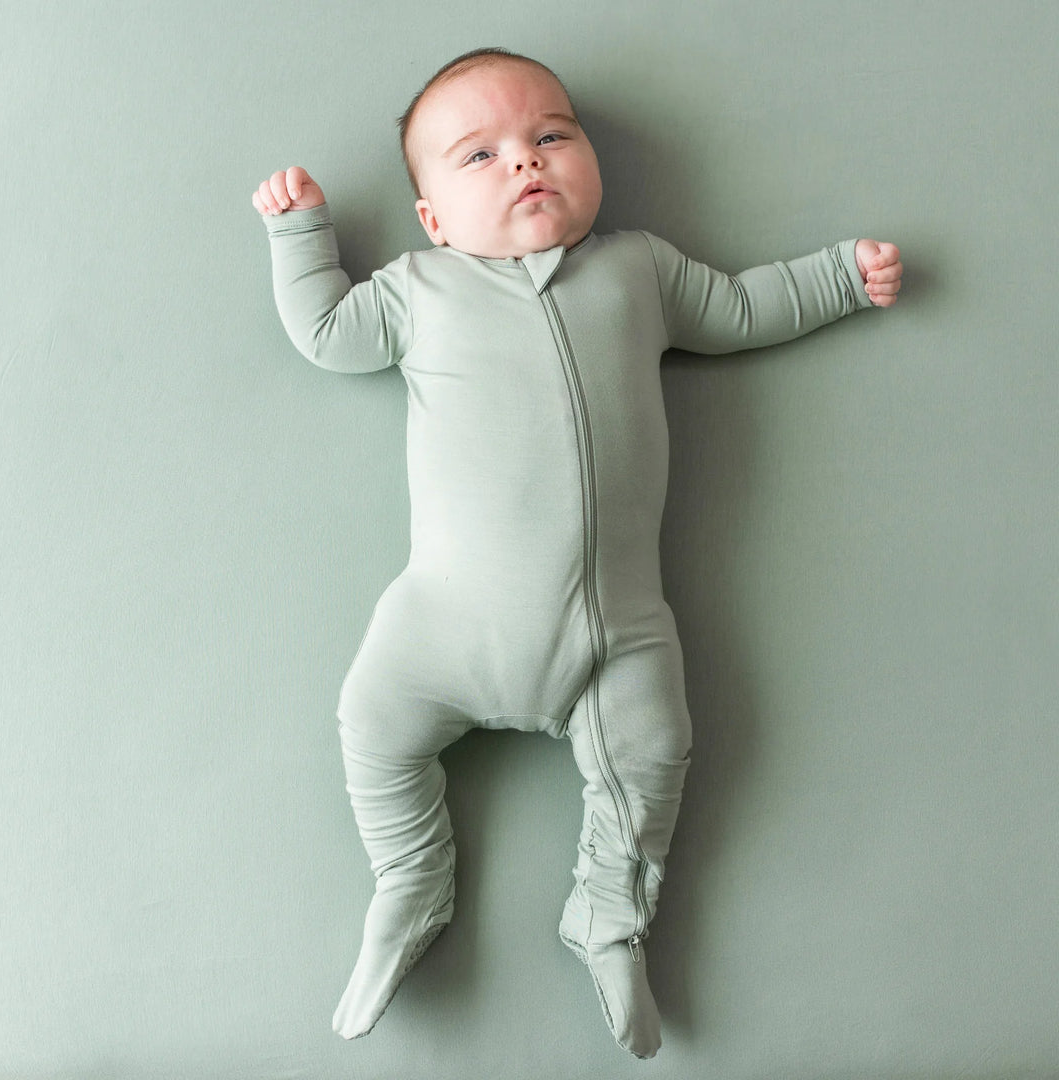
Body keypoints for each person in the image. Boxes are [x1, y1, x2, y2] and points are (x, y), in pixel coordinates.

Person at [252, 47, 902, 1059]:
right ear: (432, 218)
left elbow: (740, 308)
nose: (525, 160)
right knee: (372, 727)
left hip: (617, 632)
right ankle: (412, 878)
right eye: (480, 155)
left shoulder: (640, 269)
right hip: (442, 625)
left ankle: (607, 912)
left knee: (655, 754)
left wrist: (839, 276)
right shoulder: (419, 287)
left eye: (551, 134)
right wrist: (301, 235)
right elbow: (325, 331)